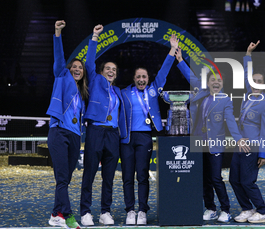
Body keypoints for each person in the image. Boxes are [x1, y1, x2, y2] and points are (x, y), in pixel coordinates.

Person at [176, 48, 248, 223]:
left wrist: (238, 138)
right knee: (204, 179)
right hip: (199, 143)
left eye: (219, 80)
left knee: (216, 178)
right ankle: (210, 208)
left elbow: (230, 121)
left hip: (215, 145)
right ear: (207, 82)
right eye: (212, 79)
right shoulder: (201, 93)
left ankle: (225, 209)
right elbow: (189, 75)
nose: (216, 82)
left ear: (222, 84)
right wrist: (179, 59)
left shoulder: (225, 100)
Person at [120, 34, 178, 225]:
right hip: (127, 138)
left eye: (144, 76)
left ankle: (142, 210)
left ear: (148, 78)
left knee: (142, 175)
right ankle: (130, 210)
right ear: (134, 78)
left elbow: (164, 70)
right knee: (128, 176)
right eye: (138, 77)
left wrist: (172, 49)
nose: (141, 79)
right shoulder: (124, 93)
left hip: (145, 137)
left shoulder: (153, 90)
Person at [80, 25, 127, 226]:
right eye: (107, 68)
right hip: (96, 130)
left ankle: (105, 211)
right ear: (102, 71)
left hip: (112, 134)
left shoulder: (117, 92)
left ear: (116, 75)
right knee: (89, 172)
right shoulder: (96, 80)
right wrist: (95, 37)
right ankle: (85, 212)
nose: (110, 71)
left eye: (113, 70)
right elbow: (89, 62)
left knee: (109, 176)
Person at [47, 20, 88, 229]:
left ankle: (55, 214)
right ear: (68, 69)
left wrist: (96, 38)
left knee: (65, 178)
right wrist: (57, 32)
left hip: (74, 136)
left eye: (81, 68)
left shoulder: (82, 95)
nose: (78, 69)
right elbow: (58, 58)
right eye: (75, 66)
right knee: (62, 178)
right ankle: (69, 216)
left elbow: (89, 65)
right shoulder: (61, 77)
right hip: (58, 132)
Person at [229, 41, 265, 223]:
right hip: (240, 146)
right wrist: (248, 53)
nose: (255, 83)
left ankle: (263, 211)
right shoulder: (249, 96)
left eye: (259, 81)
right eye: (254, 81)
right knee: (233, 179)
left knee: (247, 182)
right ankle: (247, 208)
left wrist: (263, 153)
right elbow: (247, 74)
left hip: (253, 147)